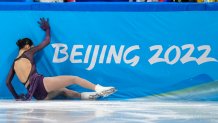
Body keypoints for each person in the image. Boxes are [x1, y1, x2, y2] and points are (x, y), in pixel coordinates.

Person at [6, 18, 116, 101]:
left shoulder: (14, 64)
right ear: (26, 46)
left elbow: (7, 83)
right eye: (32, 45)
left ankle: (86, 96)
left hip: (37, 95)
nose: (33, 47)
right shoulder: (29, 52)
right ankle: (98, 88)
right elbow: (47, 41)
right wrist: (48, 29)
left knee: (63, 90)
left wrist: (16, 97)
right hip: (41, 85)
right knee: (74, 79)